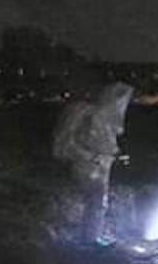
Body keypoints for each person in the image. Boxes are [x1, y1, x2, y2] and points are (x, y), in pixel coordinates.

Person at [52, 82, 135, 246]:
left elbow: (107, 142)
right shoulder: (86, 114)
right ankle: (89, 239)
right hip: (89, 165)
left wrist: (114, 155)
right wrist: (91, 156)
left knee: (99, 201)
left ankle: (93, 235)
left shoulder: (104, 119)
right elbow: (67, 143)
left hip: (101, 165)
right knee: (95, 199)